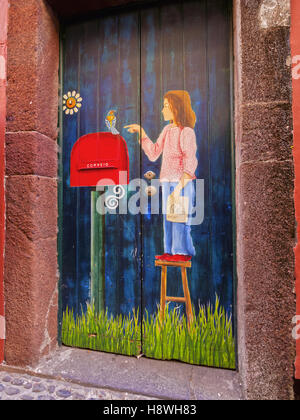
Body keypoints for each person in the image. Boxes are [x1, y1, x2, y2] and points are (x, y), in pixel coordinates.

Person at [125, 90, 198, 262]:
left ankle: (181, 252)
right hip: (167, 182)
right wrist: (142, 132)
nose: (163, 110)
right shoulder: (167, 130)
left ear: (177, 108)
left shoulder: (186, 132)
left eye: (166, 106)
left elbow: (190, 161)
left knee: (180, 219)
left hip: (182, 183)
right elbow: (153, 153)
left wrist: (179, 187)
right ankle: (170, 251)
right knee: (168, 217)